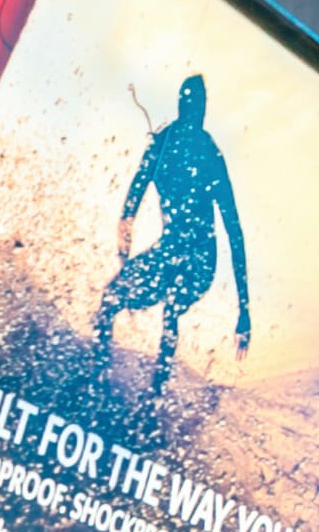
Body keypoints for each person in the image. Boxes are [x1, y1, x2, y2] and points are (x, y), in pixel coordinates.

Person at [102, 70, 256, 382]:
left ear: (202, 111)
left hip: (201, 260)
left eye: (197, 108)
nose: (193, 115)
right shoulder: (161, 145)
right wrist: (125, 241)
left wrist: (244, 309)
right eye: (190, 107)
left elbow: (233, 231)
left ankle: (154, 399)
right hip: (167, 250)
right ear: (183, 108)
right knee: (109, 300)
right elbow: (132, 198)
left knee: (172, 306)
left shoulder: (210, 155)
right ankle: (97, 374)